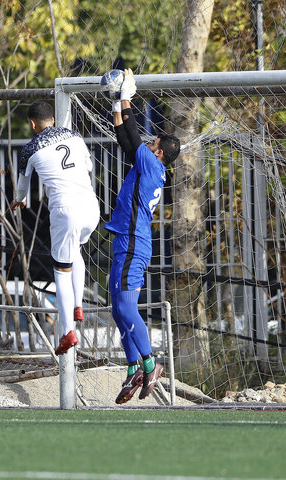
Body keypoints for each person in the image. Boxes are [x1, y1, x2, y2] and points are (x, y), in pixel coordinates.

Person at [105, 69, 181, 403]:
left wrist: (127, 96)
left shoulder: (152, 164)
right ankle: (133, 366)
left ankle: (151, 364)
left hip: (134, 242)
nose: (148, 145)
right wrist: (115, 105)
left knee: (125, 304)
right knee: (118, 309)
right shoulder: (147, 164)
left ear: (159, 152)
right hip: (127, 239)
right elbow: (126, 140)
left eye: (153, 144)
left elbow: (134, 137)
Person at [11, 101, 100, 356]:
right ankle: (78, 306)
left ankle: (67, 332)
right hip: (91, 208)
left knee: (61, 271)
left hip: (66, 211)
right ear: (52, 118)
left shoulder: (30, 149)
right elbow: (89, 167)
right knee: (76, 251)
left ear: (32, 123)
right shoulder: (75, 136)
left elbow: (22, 187)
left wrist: (21, 198)